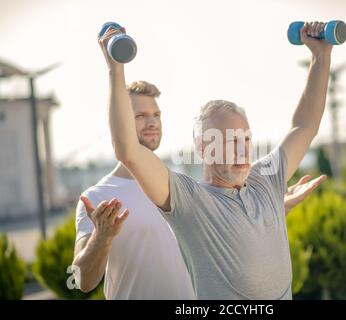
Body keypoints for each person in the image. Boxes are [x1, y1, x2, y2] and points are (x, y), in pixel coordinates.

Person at [101, 20, 332, 299]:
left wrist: (321, 56)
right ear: (203, 148)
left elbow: (304, 125)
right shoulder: (190, 200)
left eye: (246, 139)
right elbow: (128, 150)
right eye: (230, 141)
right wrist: (116, 69)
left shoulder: (267, 178)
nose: (243, 150)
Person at [72, 79, 326, 299]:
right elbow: (82, 280)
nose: (151, 122)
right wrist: (102, 237)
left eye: (156, 115)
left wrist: (274, 207)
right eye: (139, 116)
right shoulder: (99, 197)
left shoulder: (186, 188)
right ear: (119, 121)